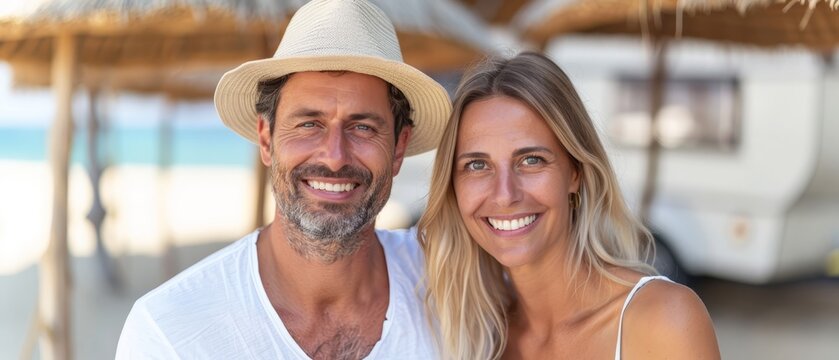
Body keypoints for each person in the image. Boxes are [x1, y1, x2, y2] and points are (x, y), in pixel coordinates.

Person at [116, 0, 451, 358]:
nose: (335, 156)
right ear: (265, 138)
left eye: (363, 127)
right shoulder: (171, 331)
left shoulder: (454, 289)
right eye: (309, 124)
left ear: (399, 147)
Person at [417, 52, 720, 359]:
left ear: (575, 172)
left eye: (531, 160)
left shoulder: (662, 320)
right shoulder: (475, 333)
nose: (505, 194)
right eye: (477, 165)